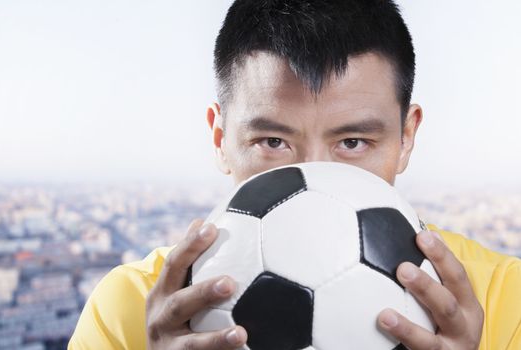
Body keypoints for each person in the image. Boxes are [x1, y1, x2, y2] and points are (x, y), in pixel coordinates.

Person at [69, 0, 521, 349]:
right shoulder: (130, 307)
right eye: (272, 142)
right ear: (219, 138)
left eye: (352, 143)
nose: (315, 175)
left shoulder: (505, 298)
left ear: (406, 137)